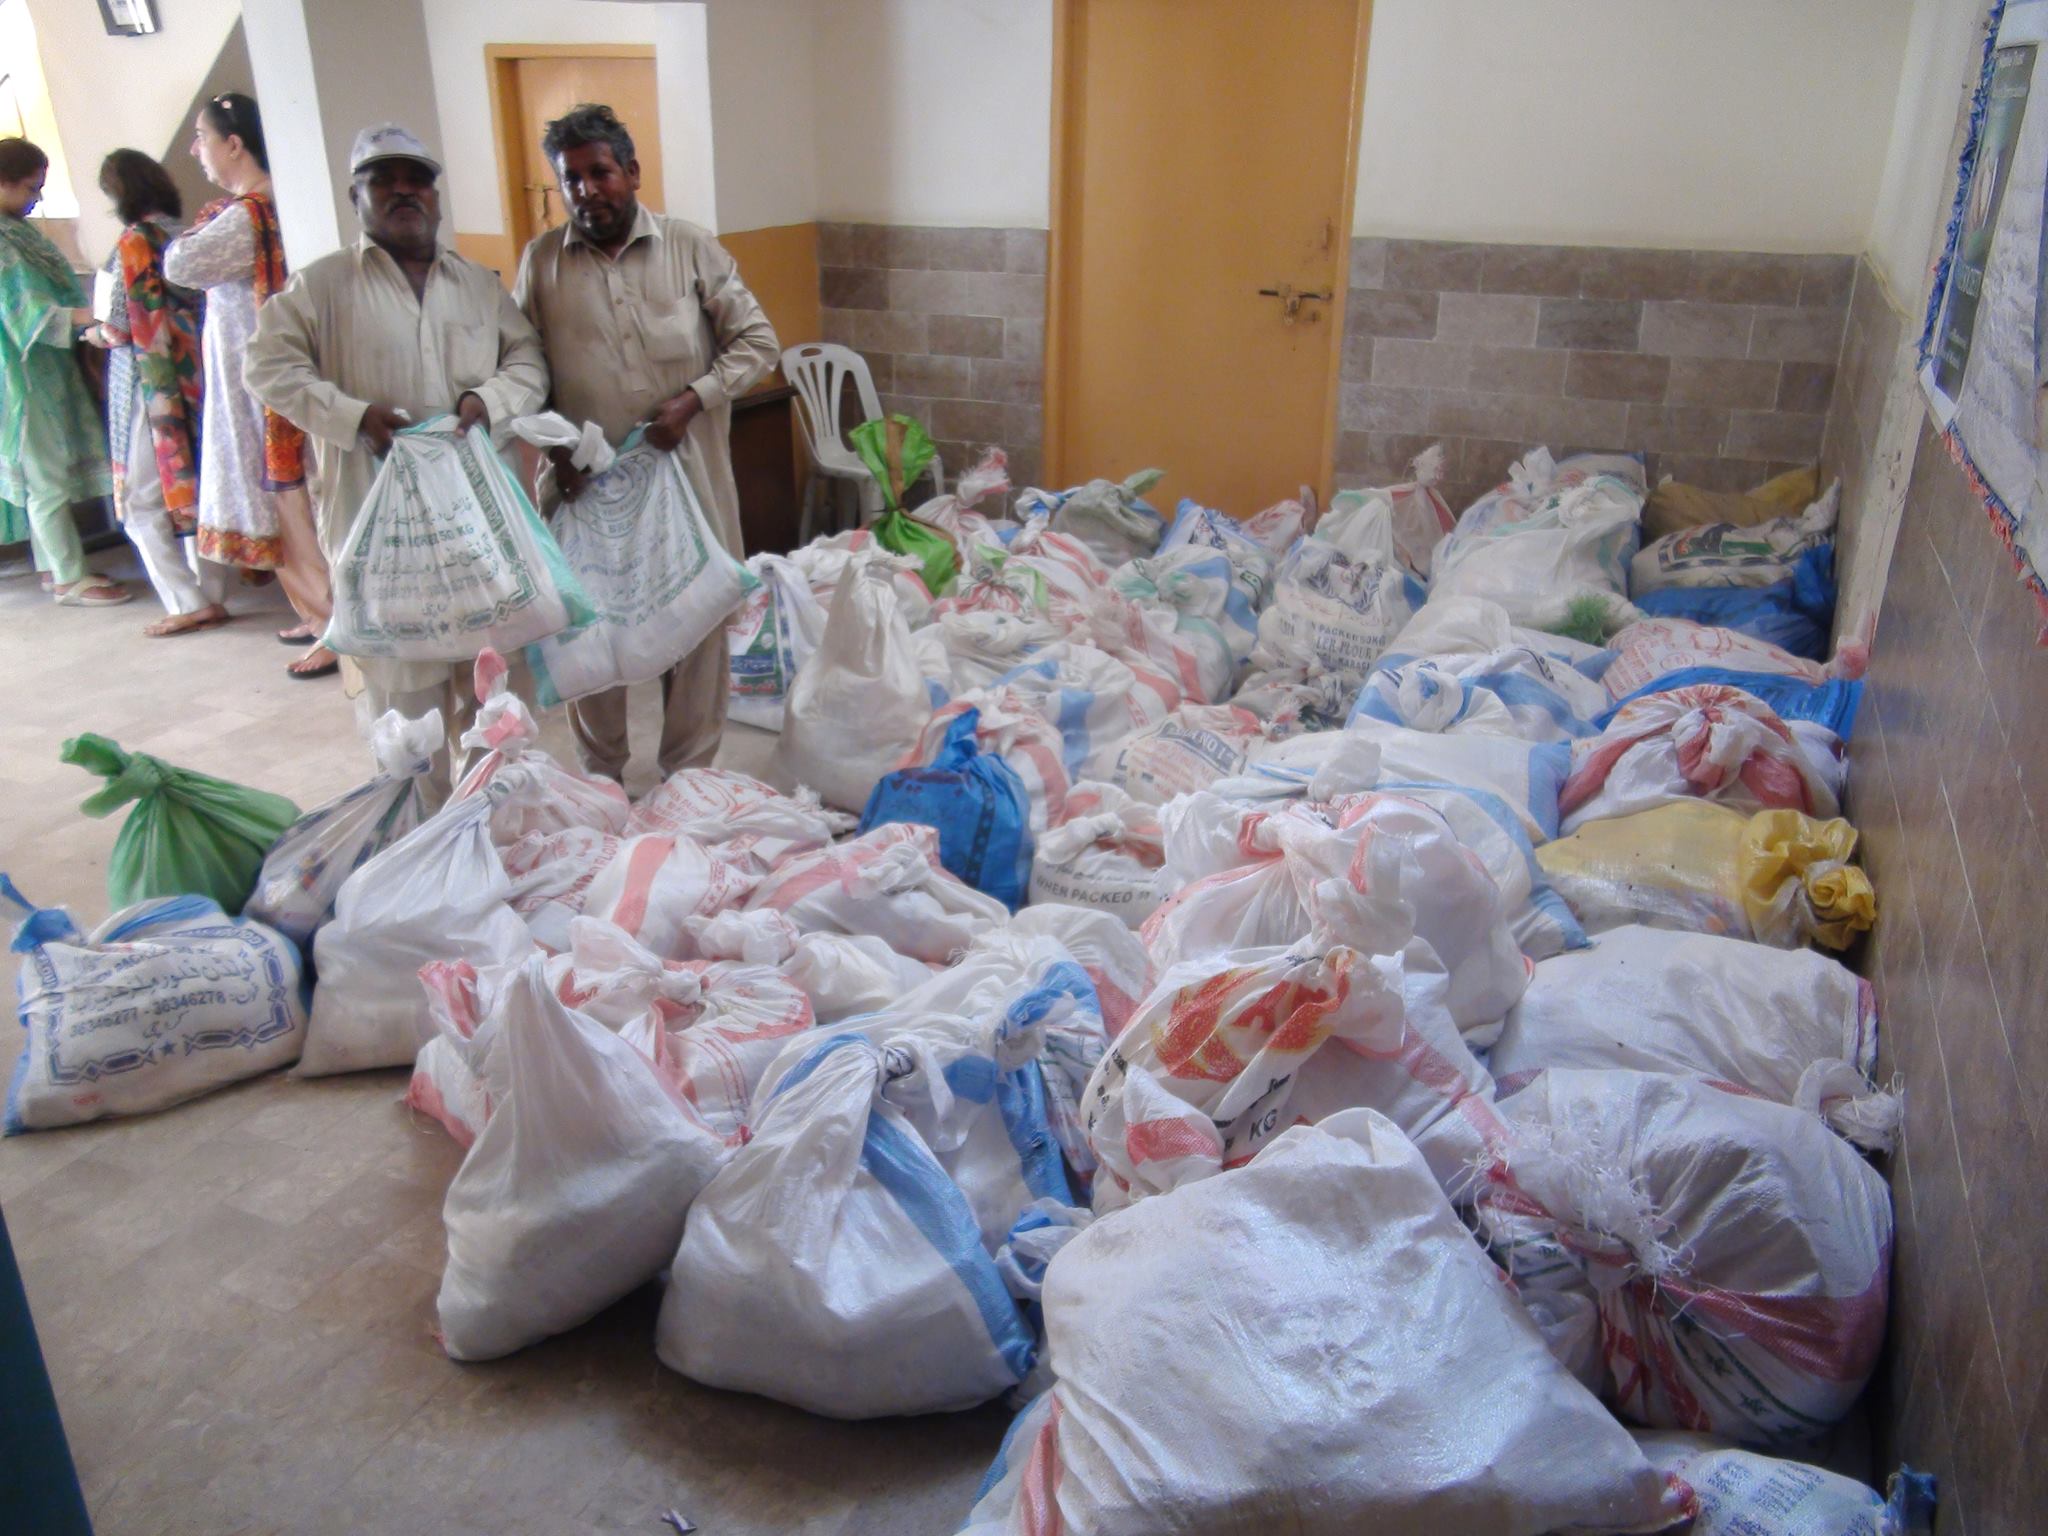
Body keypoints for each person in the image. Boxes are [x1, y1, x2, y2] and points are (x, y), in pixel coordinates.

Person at [245, 124, 548, 797]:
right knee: (404, 711)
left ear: (437, 199)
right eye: (384, 180)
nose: (404, 191)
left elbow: (527, 357)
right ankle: (420, 850)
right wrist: (352, 418)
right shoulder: (321, 287)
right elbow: (265, 364)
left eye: (418, 179)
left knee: (490, 691)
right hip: (381, 534)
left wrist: (487, 400)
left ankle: (487, 838)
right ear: (357, 196)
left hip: (474, 527)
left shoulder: (475, 284)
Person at [513, 102, 778, 784]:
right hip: (589, 489)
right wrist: (555, 448)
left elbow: (758, 343)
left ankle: (690, 779)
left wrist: (693, 402)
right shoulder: (541, 264)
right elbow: (521, 367)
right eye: (570, 179)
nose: (586, 190)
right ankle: (601, 780)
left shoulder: (690, 247)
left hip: (688, 476)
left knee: (695, 627)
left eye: (599, 172)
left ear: (630, 172)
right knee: (592, 632)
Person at [166, 92, 334, 677]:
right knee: (286, 501)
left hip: (269, 390)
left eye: (203, 137)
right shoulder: (261, 209)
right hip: (262, 384)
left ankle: (335, 625)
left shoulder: (248, 216)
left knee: (295, 502)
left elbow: (179, 266)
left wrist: (187, 235)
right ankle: (317, 616)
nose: (196, 150)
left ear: (234, 144)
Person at [84, 149, 220, 634]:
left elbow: (118, 327)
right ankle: (213, 591)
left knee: (142, 501)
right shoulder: (186, 236)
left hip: (148, 385)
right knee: (201, 482)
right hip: (197, 376)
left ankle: (187, 601)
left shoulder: (130, 245)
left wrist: (91, 335)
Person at [0, 137, 131, 606]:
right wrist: (96, 316)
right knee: (45, 475)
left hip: (44, 367)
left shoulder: (16, 229)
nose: (36, 198)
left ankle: (55, 569)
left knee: (48, 471)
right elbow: (26, 311)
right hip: (20, 372)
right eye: (30, 188)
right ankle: (70, 578)